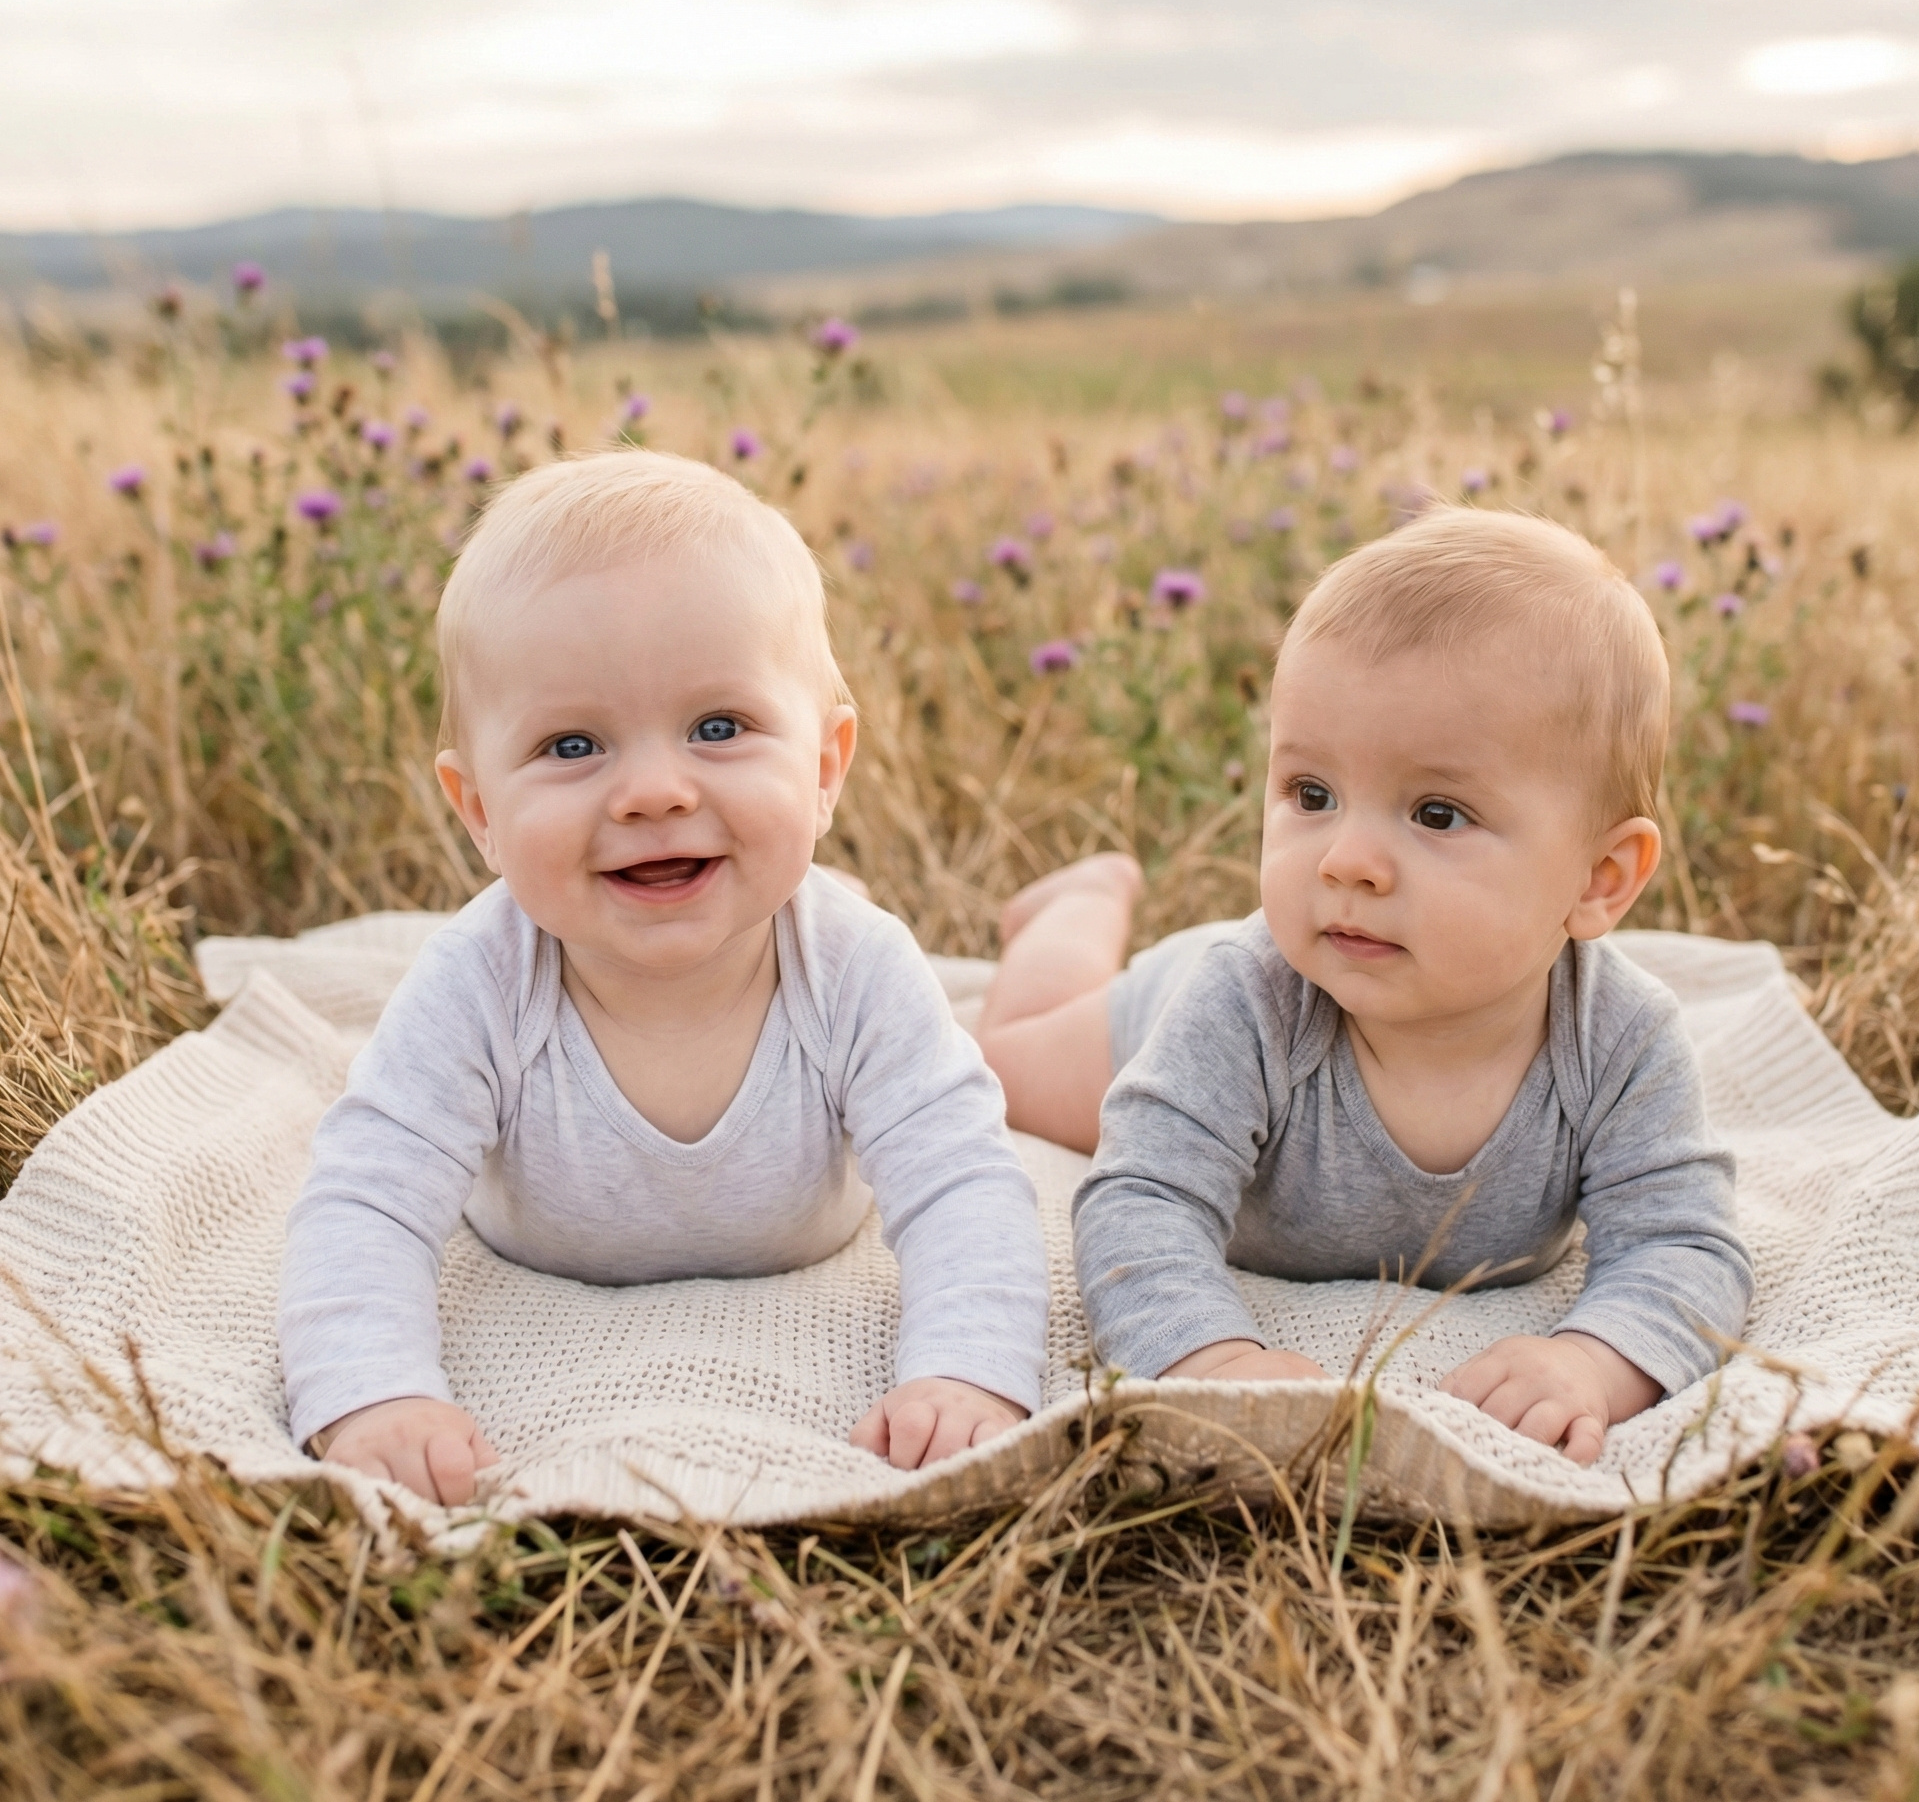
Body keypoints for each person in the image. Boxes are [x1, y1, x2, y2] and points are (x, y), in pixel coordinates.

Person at [278, 451, 1048, 1504]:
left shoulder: (857, 967)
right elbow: (365, 1196)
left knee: (1005, 1044)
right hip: (528, 1249)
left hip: (818, 1195)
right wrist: (372, 1392)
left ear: (824, 767)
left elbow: (963, 1182)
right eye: (572, 743)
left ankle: (1067, 918)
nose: (651, 790)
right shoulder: (480, 978)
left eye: (718, 727)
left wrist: (964, 1369)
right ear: (480, 813)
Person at [990, 507, 1751, 1463]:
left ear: (1600, 880)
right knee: (998, 1064)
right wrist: (1210, 1357)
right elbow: (1140, 1197)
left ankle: (1092, 904)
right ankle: (1080, 909)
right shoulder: (1250, 1004)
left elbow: (1686, 1245)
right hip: (1170, 1005)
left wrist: (1594, 1363)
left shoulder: (1619, 1040)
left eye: (1436, 813)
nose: (1347, 860)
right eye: (1311, 795)